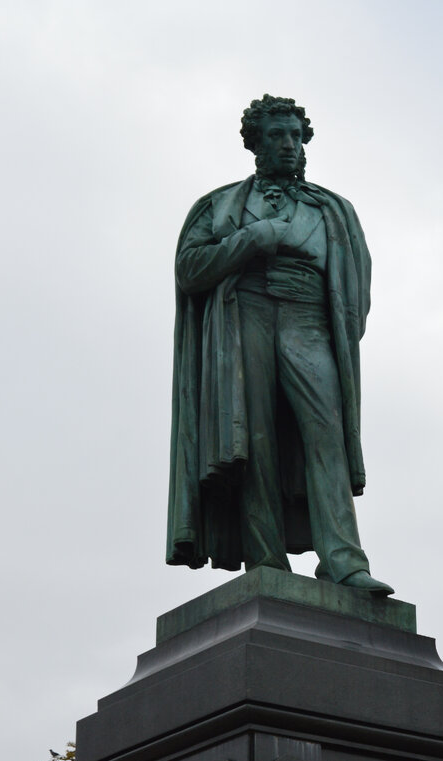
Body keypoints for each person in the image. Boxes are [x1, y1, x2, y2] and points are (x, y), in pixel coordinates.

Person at [166, 94, 392, 595]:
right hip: (243, 314)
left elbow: (357, 285)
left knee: (325, 434)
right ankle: (264, 559)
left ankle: (343, 561)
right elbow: (189, 269)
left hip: (308, 317)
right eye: (276, 135)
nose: (288, 144)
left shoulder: (333, 209)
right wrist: (256, 238)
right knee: (255, 439)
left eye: (295, 135)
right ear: (255, 143)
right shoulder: (219, 204)